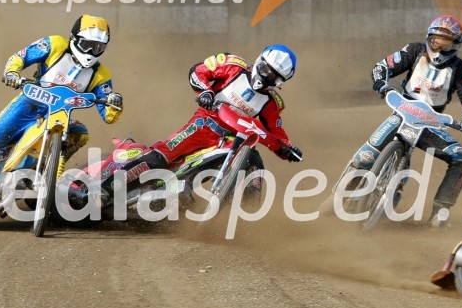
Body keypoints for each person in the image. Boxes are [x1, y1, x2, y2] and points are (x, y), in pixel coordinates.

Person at [0, 15, 124, 217]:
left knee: (80, 133)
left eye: (98, 47)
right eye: (87, 45)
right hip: (26, 107)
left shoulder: (101, 74)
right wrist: (12, 73)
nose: (92, 52)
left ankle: (49, 175)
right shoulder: (55, 44)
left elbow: (108, 114)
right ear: (74, 39)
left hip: (59, 117)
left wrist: (114, 102)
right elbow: (21, 57)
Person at [71, 45, 303, 206]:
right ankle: (106, 188)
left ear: (279, 83)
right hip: (205, 123)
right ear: (259, 60)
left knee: (251, 159)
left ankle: (228, 212)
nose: (266, 77)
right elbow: (198, 71)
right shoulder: (232, 65)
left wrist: (288, 148)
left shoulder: (273, 103)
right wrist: (206, 92)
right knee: (162, 155)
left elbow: (276, 132)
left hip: (233, 140)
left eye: (273, 77)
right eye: (265, 69)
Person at [343, 15, 462, 228]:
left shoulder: (461, 68)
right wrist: (381, 82)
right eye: (437, 39)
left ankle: (440, 212)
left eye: (446, 41)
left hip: (430, 123)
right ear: (429, 37)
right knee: (365, 157)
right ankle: (342, 190)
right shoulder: (413, 50)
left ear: (455, 44)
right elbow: (383, 65)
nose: (439, 45)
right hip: (402, 111)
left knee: (461, 157)